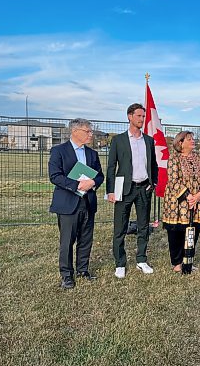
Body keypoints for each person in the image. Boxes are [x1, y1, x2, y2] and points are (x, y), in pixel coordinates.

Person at [49, 118, 104, 289]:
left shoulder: (92, 154)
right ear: (75, 131)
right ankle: (66, 275)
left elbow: (100, 175)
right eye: (87, 131)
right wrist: (77, 185)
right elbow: (55, 176)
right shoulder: (59, 151)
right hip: (68, 203)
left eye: (90, 131)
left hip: (88, 202)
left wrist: (93, 183)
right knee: (67, 241)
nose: (91, 134)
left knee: (86, 239)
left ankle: (82, 270)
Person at [106, 103, 158, 279]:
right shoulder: (118, 140)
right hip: (124, 190)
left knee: (144, 226)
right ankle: (120, 263)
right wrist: (111, 191)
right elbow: (111, 167)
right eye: (138, 116)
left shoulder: (149, 141)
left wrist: (154, 183)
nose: (142, 119)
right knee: (120, 227)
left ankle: (141, 260)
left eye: (143, 116)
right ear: (129, 116)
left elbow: (153, 165)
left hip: (144, 189)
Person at [162, 131, 200, 272]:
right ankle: (177, 263)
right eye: (189, 139)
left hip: (198, 201)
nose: (192, 141)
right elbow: (173, 180)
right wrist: (188, 196)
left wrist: (199, 194)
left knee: (193, 231)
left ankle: (188, 260)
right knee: (176, 233)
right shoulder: (174, 159)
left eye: (192, 139)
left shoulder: (199, 157)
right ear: (180, 143)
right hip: (177, 202)